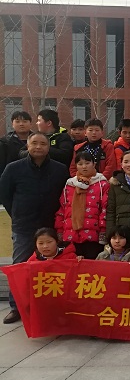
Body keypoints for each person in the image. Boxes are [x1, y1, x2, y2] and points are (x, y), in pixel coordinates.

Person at [0, 132, 69, 324]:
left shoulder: (60, 169)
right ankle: (16, 307)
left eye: (43, 144)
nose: (38, 147)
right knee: (20, 266)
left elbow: (64, 196)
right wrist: (16, 213)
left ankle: (50, 307)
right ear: (28, 146)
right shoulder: (14, 168)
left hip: (49, 225)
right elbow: (5, 195)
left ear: (48, 147)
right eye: (34, 143)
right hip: (24, 225)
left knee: (51, 268)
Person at [54, 150, 109, 259]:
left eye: (87, 163)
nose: (84, 167)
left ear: (94, 164)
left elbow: (105, 209)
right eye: (80, 164)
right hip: (70, 234)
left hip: (93, 236)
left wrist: (103, 232)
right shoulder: (69, 185)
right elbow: (62, 209)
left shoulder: (102, 184)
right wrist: (59, 231)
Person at [0, 110, 32, 175]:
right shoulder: (5, 142)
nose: (21, 124)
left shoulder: (38, 140)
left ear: (30, 124)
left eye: (25, 121)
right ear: (12, 124)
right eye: (17, 121)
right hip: (12, 176)